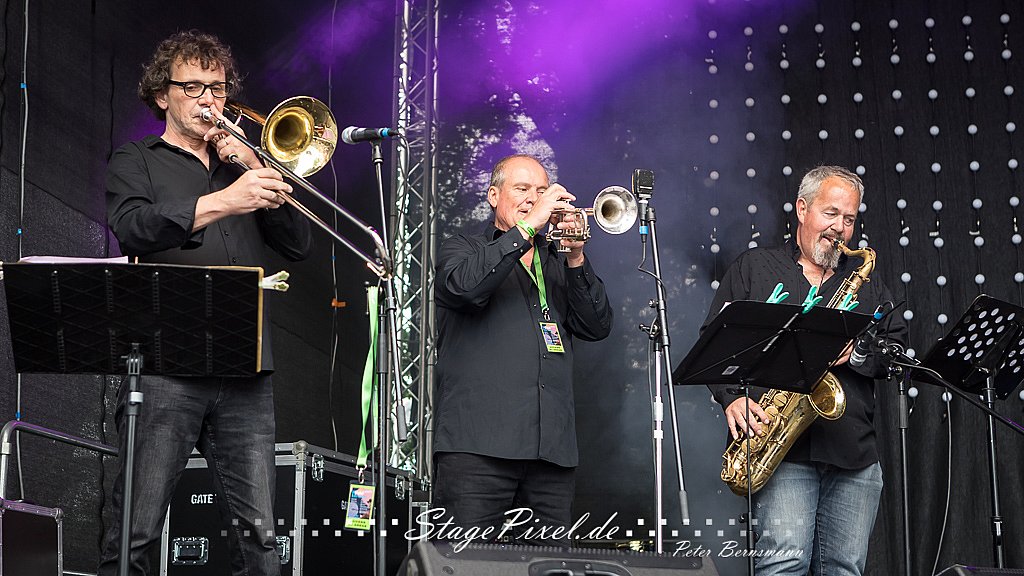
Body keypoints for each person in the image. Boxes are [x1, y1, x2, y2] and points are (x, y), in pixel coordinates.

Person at [98, 30, 312, 575]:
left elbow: (298, 244)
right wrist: (225, 200)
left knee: (260, 537)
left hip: (245, 366)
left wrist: (253, 166)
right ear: (162, 94)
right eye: (192, 86)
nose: (207, 99)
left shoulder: (243, 163)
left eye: (216, 88)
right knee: (136, 529)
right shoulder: (136, 158)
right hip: (166, 364)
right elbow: (133, 228)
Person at [705, 166, 907, 575]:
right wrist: (732, 398)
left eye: (849, 219)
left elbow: (896, 352)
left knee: (845, 569)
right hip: (780, 446)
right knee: (785, 564)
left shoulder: (869, 284)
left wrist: (857, 352)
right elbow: (714, 343)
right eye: (831, 213)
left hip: (853, 450)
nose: (840, 228)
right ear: (802, 209)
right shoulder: (754, 268)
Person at [432, 154, 613, 546]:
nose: (535, 198)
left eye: (542, 191)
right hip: (478, 451)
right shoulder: (461, 248)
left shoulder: (558, 261)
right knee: (468, 566)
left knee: (548, 567)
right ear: (493, 196)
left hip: (550, 457)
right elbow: (464, 288)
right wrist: (527, 228)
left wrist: (576, 257)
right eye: (523, 189)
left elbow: (596, 326)